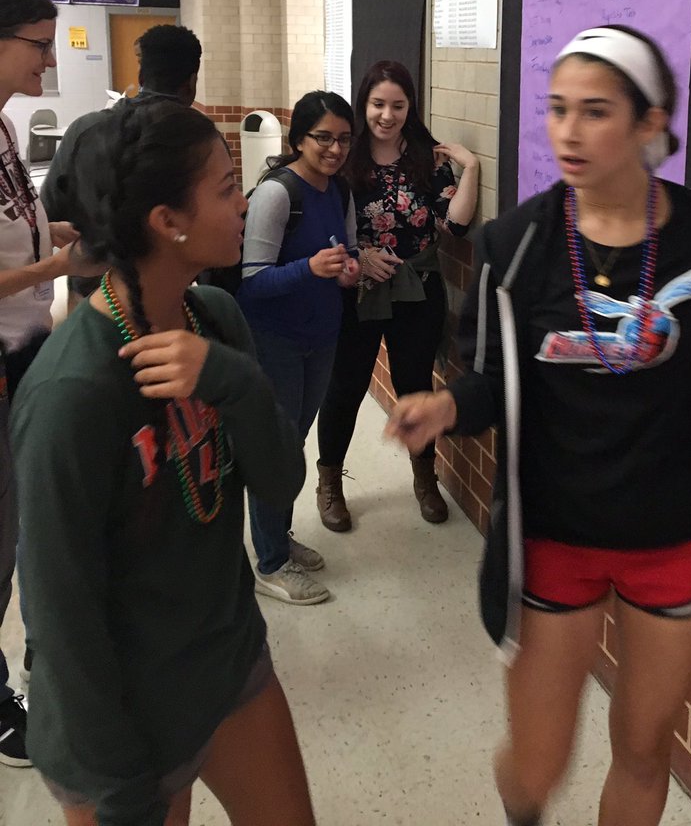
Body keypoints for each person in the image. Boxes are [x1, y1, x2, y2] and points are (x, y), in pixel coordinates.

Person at [386, 26, 691, 826]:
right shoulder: (518, 243)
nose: (567, 131)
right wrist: (449, 406)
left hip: (677, 532)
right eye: (558, 109)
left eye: (595, 111)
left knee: (644, 745)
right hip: (554, 531)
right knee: (535, 767)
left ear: (650, 123)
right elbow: (495, 380)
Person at [12, 98, 317, 826]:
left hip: (227, 665)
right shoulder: (72, 393)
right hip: (121, 719)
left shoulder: (215, 318)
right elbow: (60, 619)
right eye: (223, 187)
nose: (244, 201)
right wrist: (121, 792)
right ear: (165, 221)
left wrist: (232, 379)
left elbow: (280, 480)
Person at [0, 0, 105, 768]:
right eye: (38, 47)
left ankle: (47, 660)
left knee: (36, 514)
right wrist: (53, 270)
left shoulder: (4, 128)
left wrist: (61, 230)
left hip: (29, 343)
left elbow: (20, 220)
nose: (48, 64)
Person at [315, 60, 480, 529]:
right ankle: (330, 484)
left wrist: (470, 166)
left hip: (419, 291)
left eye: (398, 105)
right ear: (363, 103)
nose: (387, 115)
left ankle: (424, 480)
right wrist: (358, 255)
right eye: (377, 104)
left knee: (416, 387)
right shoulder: (345, 156)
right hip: (357, 289)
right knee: (345, 387)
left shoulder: (426, 157)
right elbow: (322, 227)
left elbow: (458, 223)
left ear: (411, 107)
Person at [237, 91, 360, 606]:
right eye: (323, 138)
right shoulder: (277, 194)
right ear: (297, 140)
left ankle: (277, 538)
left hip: (321, 337)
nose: (334, 149)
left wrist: (353, 267)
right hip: (276, 341)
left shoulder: (340, 190)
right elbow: (251, 282)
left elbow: (349, 250)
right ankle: (269, 564)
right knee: (276, 448)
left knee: (293, 444)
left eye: (344, 139)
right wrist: (309, 269)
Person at [40, 22, 202, 307]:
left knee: (92, 351)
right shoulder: (200, 141)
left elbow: (47, 213)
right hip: (167, 298)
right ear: (190, 82)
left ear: (141, 74)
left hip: (92, 293)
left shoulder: (85, 130)